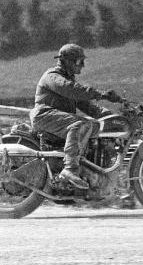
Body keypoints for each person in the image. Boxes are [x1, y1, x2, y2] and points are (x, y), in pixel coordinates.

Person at [29, 43, 123, 189]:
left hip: (56, 119)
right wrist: (102, 94)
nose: (83, 65)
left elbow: (87, 106)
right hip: (44, 116)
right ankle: (70, 169)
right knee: (80, 124)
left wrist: (111, 117)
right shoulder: (53, 76)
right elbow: (72, 90)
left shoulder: (68, 81)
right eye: (79, 61)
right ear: (67, 61)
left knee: (95, 126)